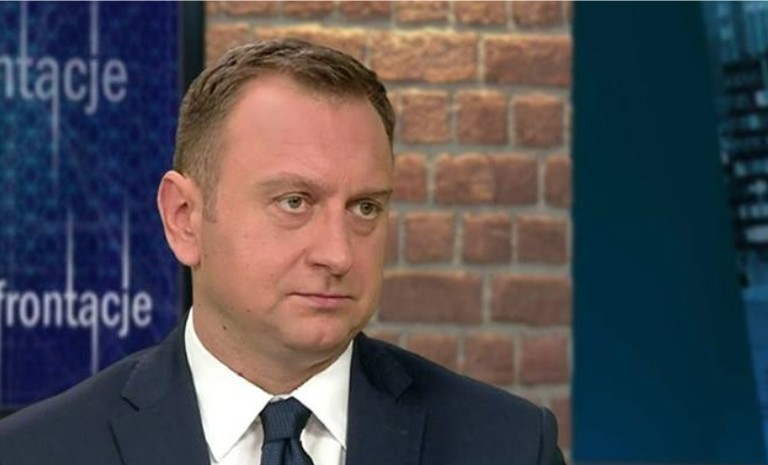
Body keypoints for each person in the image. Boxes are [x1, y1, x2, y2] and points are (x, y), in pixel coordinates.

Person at [0, 38, 565, 465]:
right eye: (295, 202)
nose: (338, 255)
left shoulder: (509, 446)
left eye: (365, 207)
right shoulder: (37, 452)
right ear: (184, 219)